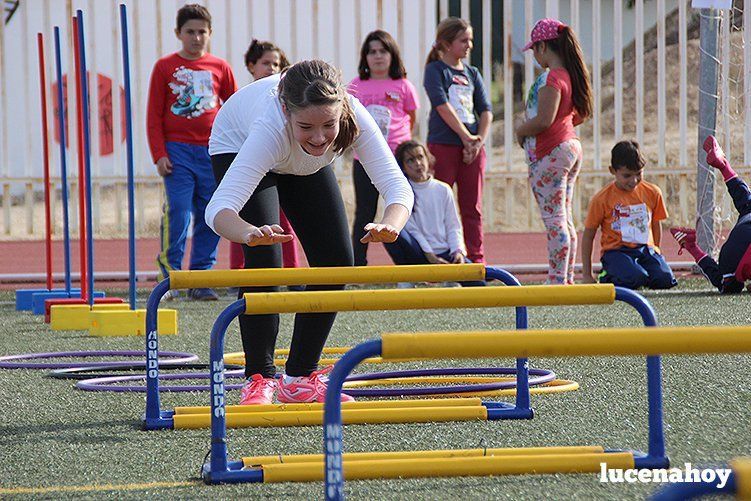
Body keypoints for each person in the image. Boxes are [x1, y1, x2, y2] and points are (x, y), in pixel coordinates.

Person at [206, 60, 413, 405]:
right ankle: (259, 376)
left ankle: (299, 377)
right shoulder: (269, 128)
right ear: (287, 111)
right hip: (238, 142)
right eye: (307, 127)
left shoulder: (355, 116)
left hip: (300, 164)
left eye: (328, 126)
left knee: (336, 260)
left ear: (341, 110)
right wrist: (248, 233)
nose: (319, 138)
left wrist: (391, 223)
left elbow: (398, 188)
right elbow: (218, 209)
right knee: (266, 258)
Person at [146, 4, 236, 301]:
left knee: (211, 214)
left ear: (210, 34)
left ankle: (201, 278)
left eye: (202, 32)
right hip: (177, 153)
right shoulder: (164, 67)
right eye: (190, 32)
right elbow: (154, 115)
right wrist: (159, 153)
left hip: (213, 153)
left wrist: (235, 152)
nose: (196, 38)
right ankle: (169, 276)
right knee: (180, 212)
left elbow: (234, 108)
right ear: (178, 33)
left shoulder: (220, 67)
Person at [515, 18, 593, 285]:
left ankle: (557, 279)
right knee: (564, 217)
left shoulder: (551, 77)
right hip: (568, 147)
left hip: (550, 151)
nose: (535, 56)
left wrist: (520, 129)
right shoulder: (569, 76)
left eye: (535, 50)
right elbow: (577, 115)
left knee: (554, 219)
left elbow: (544, 120)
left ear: (544, 46)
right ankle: (565, 277)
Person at [223, 40, 300, 289]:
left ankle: (292, 272)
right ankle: (238, 271)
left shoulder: (285, 100)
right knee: (244, 219)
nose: (271, 68)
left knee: (284, 220)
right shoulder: (243, 98)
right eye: (266, 63)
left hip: (277, 162)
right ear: (251, 66)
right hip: (250, 162)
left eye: (276, 64)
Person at [423, 17, 492, 263]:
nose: (469, 45)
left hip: (472, 150)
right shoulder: (435, 71)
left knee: (472, 207)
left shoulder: (473, 73)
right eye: (464, 40)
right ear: (446, 43)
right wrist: (466, 137)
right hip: (444, 145)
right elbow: (442, 106)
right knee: (441, 204)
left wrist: (477, 142)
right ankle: (442, 256)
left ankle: (476, 259)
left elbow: (486, 110)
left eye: (470, 40)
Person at [348, 30, 420, 266]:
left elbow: (411, 117)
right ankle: (357, 263)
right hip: (365, 159)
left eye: (383, 51)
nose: (378, 56)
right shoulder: (356, 85)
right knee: (364, 212)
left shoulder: (404, 85)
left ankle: (409, 263)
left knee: (402, 210)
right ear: (365, 57)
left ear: (392, 55)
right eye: (372, 51)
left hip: (399, 158)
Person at [384, 140, 484, 287]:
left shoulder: (443, 189)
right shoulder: (402, 192)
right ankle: (409, 276)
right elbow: (412, 230)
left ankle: (449, 279)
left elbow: (453, 225)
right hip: (421, 253)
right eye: (410, 160)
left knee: (479, 285)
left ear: (427, 158)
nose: (418, 163)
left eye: (420, 157)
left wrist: (458, 252)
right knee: (389, 232)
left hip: (445, 254)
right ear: (403, 167)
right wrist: (430, 255)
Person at [581, 140, 677, 290]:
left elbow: (655, 223)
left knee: (664, 279)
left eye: (639, 174)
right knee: (635, 278)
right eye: (627, 175)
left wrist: (656, 250)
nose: (634, 181)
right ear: (612, 171)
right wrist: (587, 274)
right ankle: (606, 275)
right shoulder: (601, 199)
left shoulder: (652, 192)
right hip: (616, 252)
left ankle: (644, 270)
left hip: (645, 249)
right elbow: (588, 235)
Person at [670, 136, 751, 293]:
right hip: (738, 252)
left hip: (744, 230)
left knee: (746, 203)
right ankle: (692, 246)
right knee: (726, 284)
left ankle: (723, 165)